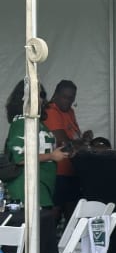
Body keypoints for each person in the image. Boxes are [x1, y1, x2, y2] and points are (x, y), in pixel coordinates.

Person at [4, 80, 70, 208]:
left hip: (42, 186)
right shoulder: (21, 122)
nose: (41, 99)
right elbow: (20, 158)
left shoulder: (36, 122)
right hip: (27, 188)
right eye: (36, 94)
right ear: (23, 97)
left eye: (42, 95)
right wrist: (51, 156)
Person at [43, 80, 93, 225]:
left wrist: (83, 139)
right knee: (55, 213)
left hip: (72, 170)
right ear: (56, 95)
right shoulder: (51, 111)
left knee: (72, 215)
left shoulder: (70, 111)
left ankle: (68, 246)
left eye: (72, 98)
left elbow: (73, 139)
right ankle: (48, 245)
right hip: (57, 171)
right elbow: (64, 142)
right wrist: (81, 143)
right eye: (65, 97)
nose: (69, 101)